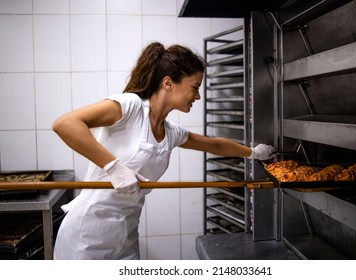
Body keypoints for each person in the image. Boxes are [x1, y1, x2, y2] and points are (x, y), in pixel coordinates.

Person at [52, 41, 274, 260]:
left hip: (125, 235)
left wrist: (253, 153)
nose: (197, 96)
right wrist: (114, 167)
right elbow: (65, 124)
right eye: (195, 87)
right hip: (85, 235)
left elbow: (215, 144)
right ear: (168, 83)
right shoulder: (131, 107)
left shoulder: (171, 132)